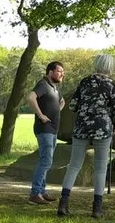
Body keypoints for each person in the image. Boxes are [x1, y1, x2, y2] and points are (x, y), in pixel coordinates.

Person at [58, 54, 115, 219]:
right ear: (110, 67)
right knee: (100, 168)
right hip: (102, 128)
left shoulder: (85, 81)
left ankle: (63, 203)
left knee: (74, 165)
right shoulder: (112, 84)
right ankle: (97, 208)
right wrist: (114, 125)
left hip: (82, 126)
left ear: (96, 64)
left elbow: (73, 105)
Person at [28, 61, 65, 205]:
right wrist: (41, 115)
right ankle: (35, 194)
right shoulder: (43, 84)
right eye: (59, 71)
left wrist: (56, 111)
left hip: (53, 130)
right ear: (50, 72)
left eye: (63, 72)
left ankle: (42, 192)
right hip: (45, 129)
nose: (62, 74)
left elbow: (62, 101)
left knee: (46, 161)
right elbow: (31, 98)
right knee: (46, 161)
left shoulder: (54, 88)